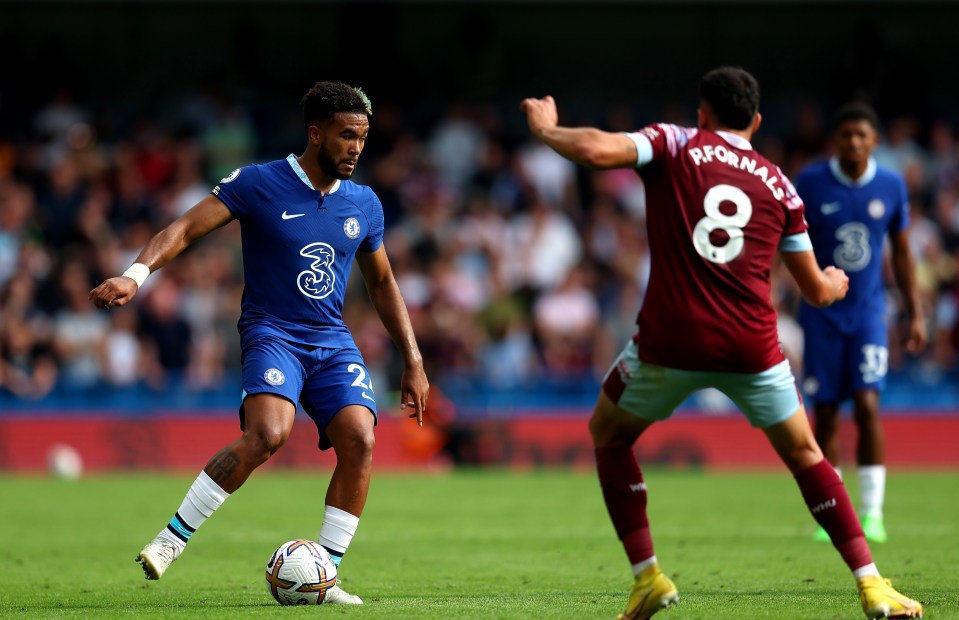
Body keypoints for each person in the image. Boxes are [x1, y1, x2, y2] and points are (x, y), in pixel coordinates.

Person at [520, 67, 922, 620]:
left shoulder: (674, 141)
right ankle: (871, 584)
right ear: (756, 121)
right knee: (808, 455)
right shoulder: (781, 183)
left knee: (609, 434)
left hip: (669, 341)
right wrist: (834, 281)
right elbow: (815, 290)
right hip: (751, 346)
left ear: (702, 112)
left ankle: (647, 577)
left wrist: (546, 128)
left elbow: (592, 150)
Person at [89, 81, 429, 605]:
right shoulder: (259, 183)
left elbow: (382, 283)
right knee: (268, 434)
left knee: (360, 437)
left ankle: (325, 574)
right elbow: (183, 229)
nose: (356, 148)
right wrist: (136, 274)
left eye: (362, 137)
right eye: (346, 136)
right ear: (316, 134)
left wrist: (413, 359)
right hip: (272, 333)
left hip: (332, 341)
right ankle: (170, 540)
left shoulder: (365, 203)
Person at [795, 102, 926, 545]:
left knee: (868, 405)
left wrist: (915, 313)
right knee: (826, 413)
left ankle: (872, 513)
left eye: (861, 135)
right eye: (846, 134)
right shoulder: (810, 181)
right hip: (820, 315)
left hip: (869, 314)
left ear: (874, 141)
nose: (853, 142)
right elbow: (789, 241)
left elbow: (903, 252)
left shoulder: (890, 185)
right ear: (835, 139)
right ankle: (832, 513)